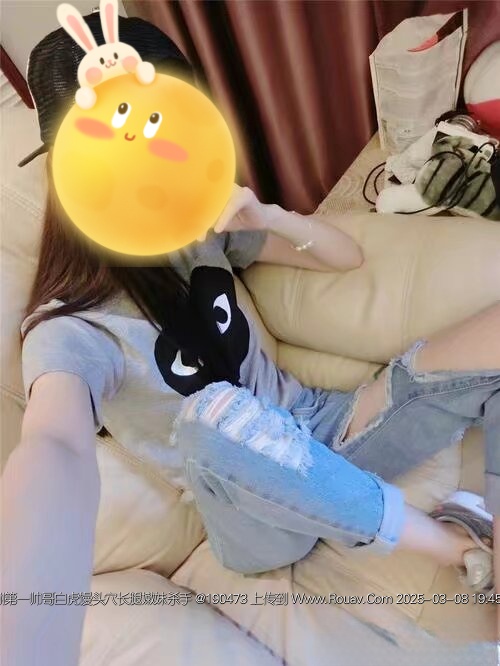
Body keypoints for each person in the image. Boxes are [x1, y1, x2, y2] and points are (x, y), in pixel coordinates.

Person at [2, 13, 500, 666]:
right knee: (214, 412)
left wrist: (265, 216)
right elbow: (55, 445)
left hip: (328, 432)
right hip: (251, 514)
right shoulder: (70, 328)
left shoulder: (194, 233)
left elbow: (344, 257)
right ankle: (456, 549)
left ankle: (487, 524)